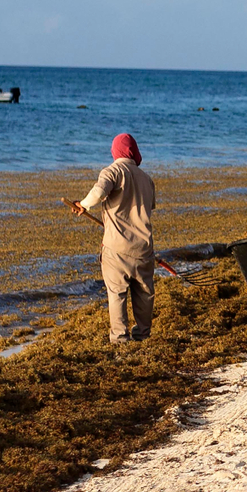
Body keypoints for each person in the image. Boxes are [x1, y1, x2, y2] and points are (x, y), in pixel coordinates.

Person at [70, 133, 156, 343]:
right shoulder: (147, 179)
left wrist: (83, 204)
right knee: (144, 295)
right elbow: (149, 207)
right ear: (134, 152)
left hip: (116, 248)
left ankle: (119, 338)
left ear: (115, 152)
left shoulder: (114, 170)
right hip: (143, 248)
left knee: (117, 294)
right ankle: (142, 335)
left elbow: (99, 192)